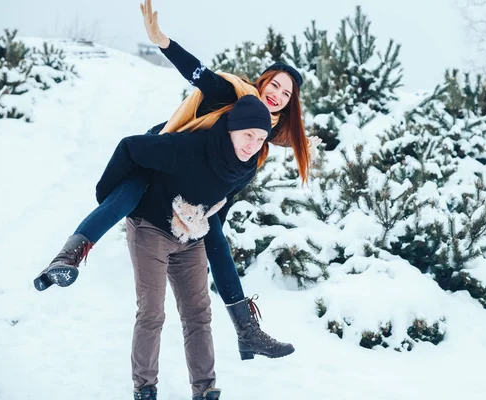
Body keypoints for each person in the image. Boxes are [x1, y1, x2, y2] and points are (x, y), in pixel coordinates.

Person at [34, 0, 320, 361]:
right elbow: (200, 75)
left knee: (217, 238)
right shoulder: (235, 94)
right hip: (164, 153)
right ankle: (66, 259)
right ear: (262, 81)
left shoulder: (266, 128)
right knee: (127, 196)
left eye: (286, 94)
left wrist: (302, 140)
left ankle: (246, 330)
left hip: (194, 182)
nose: (276, 95)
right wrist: (163, 41)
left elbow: (271, 141)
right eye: (274, 85)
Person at [103, 94, 271, 400]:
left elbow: (222, 202)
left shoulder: (246, 167)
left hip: (191, 236)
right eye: (248, 134)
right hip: (151, 226)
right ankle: (145, 388)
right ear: (232, 128)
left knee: (198, 314)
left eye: (260, 138)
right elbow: (131, 147)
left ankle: (205, 389)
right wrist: (109, 197)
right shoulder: (191, 145)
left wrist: (205, 228)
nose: (253, 144)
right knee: (152, 312)